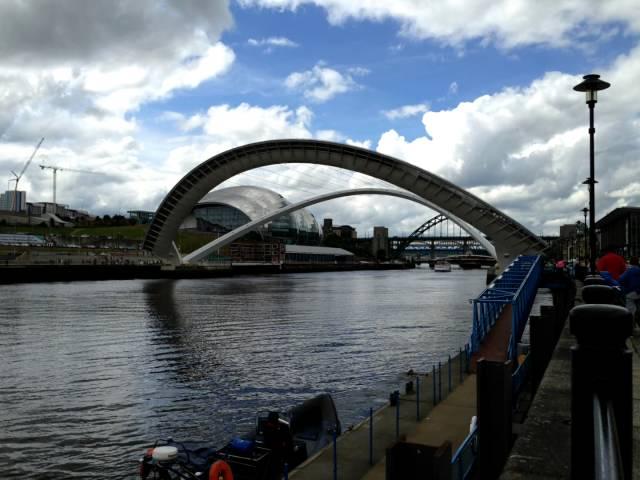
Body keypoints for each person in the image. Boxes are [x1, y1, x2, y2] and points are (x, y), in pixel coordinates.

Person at [619, 256, 640, 323]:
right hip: (639, 292)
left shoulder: (629, 271)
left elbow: (621, 279)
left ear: (630, 262)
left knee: (629, 306)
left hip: (631, 292)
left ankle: (631, 322)